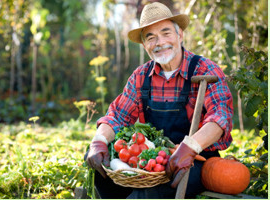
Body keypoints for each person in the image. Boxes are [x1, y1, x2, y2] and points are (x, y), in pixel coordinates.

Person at [86, 2, 233, 199]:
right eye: (151, 37)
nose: (159, 42)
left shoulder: (205, 71)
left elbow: (220, 117)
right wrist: (99, 141)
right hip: (155, 160)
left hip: (196, 161)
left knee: (146, 196)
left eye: (166, 33)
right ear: (145, 45)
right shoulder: (141, 76)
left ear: (179, 35)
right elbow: (118, 116)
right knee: (99, 163)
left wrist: (190, 147)